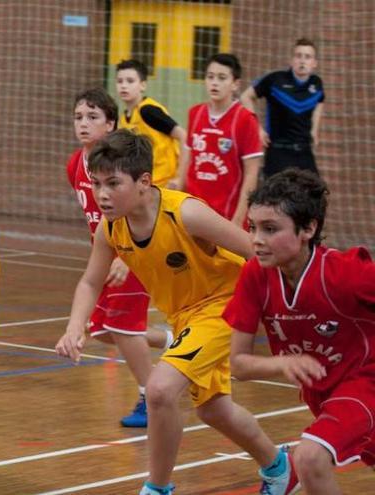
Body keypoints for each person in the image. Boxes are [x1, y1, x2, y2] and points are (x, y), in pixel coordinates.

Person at [55, 129, 298, 495]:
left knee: (160, 388)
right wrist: (75, 326)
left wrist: (293, 307)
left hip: (225, 305)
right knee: (214, 411)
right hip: (186, 317)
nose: (101, 194)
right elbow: (91, 282)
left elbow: (255, 251)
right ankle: (281, 469)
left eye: (113, 183)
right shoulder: (111, 229)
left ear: (144, 182)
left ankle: (157, 488)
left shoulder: (186, 213)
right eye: (96, 183)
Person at [226, 169, 375, 494]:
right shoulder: (255, 276)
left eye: (270, 229)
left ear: (308, 228)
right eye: (252, 228)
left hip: (365, 382)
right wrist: (281, 364)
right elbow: (237, 364)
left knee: (308, 457)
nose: (256, 240)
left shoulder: (348, 274)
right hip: (323, 395)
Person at [65, 88, 171, 428]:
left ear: (111, 124)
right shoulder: (74, 165)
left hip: (133, 254)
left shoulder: (124, 168)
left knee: (122, 327)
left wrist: (126, 258)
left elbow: (140, 210)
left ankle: (149, 396)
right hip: (107, 252)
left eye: (93, 117)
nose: (84, 123)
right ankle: (174, 341)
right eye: (79, 117)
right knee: (104, 332)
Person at [173, 53, 263, 226]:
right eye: (210, 77)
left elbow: (252, 174)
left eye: (222, 78)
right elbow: (189, 159)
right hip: (192, 212)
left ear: (235, 84)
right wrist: (178, 186)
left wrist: (238, 219)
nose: (214, 82)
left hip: (225, 217)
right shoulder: (195, 113)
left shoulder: (245, 119)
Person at [240, 39, 325, 178]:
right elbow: (245, 97)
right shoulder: (275, 80)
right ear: (291, 60)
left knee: (315, 194)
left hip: (304, 153)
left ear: (314, 63)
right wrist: (257, 128)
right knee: (275, 197)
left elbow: (320, 101)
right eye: (298, 56)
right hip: (278, 152)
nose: (302, 61)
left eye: (307, 57)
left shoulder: (317, 84)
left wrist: (315, 129)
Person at [115, 59, 189, 187]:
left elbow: (184, 136)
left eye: (130, 81)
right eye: (120, 81)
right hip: (146, 185)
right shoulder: (123, 119)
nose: (124, 85)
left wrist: (179, 178)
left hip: (165, 184)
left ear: (143, 85)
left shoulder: (148, 111)